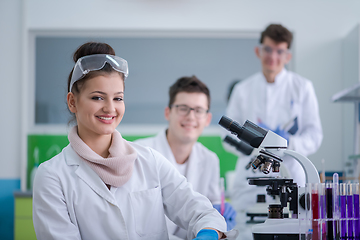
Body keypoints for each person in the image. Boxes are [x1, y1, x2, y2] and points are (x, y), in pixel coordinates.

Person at [32, 42, 238, 240]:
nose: (110, 108)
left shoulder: (149, 161)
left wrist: (208, 231)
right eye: (97, 97)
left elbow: (200, 211)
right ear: (72, 102)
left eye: (118, 98)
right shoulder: (52, 176)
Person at [225, 24, 323, 239]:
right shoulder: (243, 90)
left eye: (279, 51)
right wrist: (253, 147)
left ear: (288, 55)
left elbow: (315, 135)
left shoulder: (302, 87)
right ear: (258, 51)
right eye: (268, 49)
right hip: (251, 180)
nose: (273, 56)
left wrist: (288, 145)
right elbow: (227, 139)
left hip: (291, 175)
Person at [135, 76, 237, 240]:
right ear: (168, 112)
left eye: (198, 110)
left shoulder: (209, 160)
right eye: (183, 108)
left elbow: (209, 213)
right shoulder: (140, 154)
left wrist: (218, 218)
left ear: (207, 119)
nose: (191, 117)